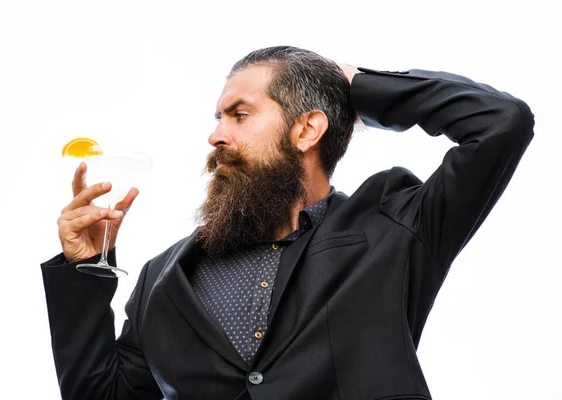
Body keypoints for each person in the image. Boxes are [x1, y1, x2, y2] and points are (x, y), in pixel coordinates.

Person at [41, 46, 534, 400]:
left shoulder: (395, 226)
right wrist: (84, 268)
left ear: (306, 130)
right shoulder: (163, 277)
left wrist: (354, 84)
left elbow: (500, 123)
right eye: (217, 119)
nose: (216, 136)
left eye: (239, 114)